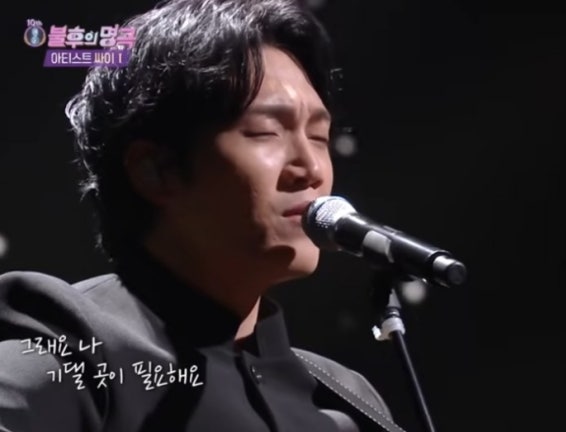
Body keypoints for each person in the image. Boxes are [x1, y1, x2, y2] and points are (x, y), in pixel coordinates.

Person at [0, 0, 406, 431]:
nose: (311, 168)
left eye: (319, 137)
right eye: (266, 131)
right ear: (155, 170)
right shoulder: (69, 344)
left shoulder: (348, 401)